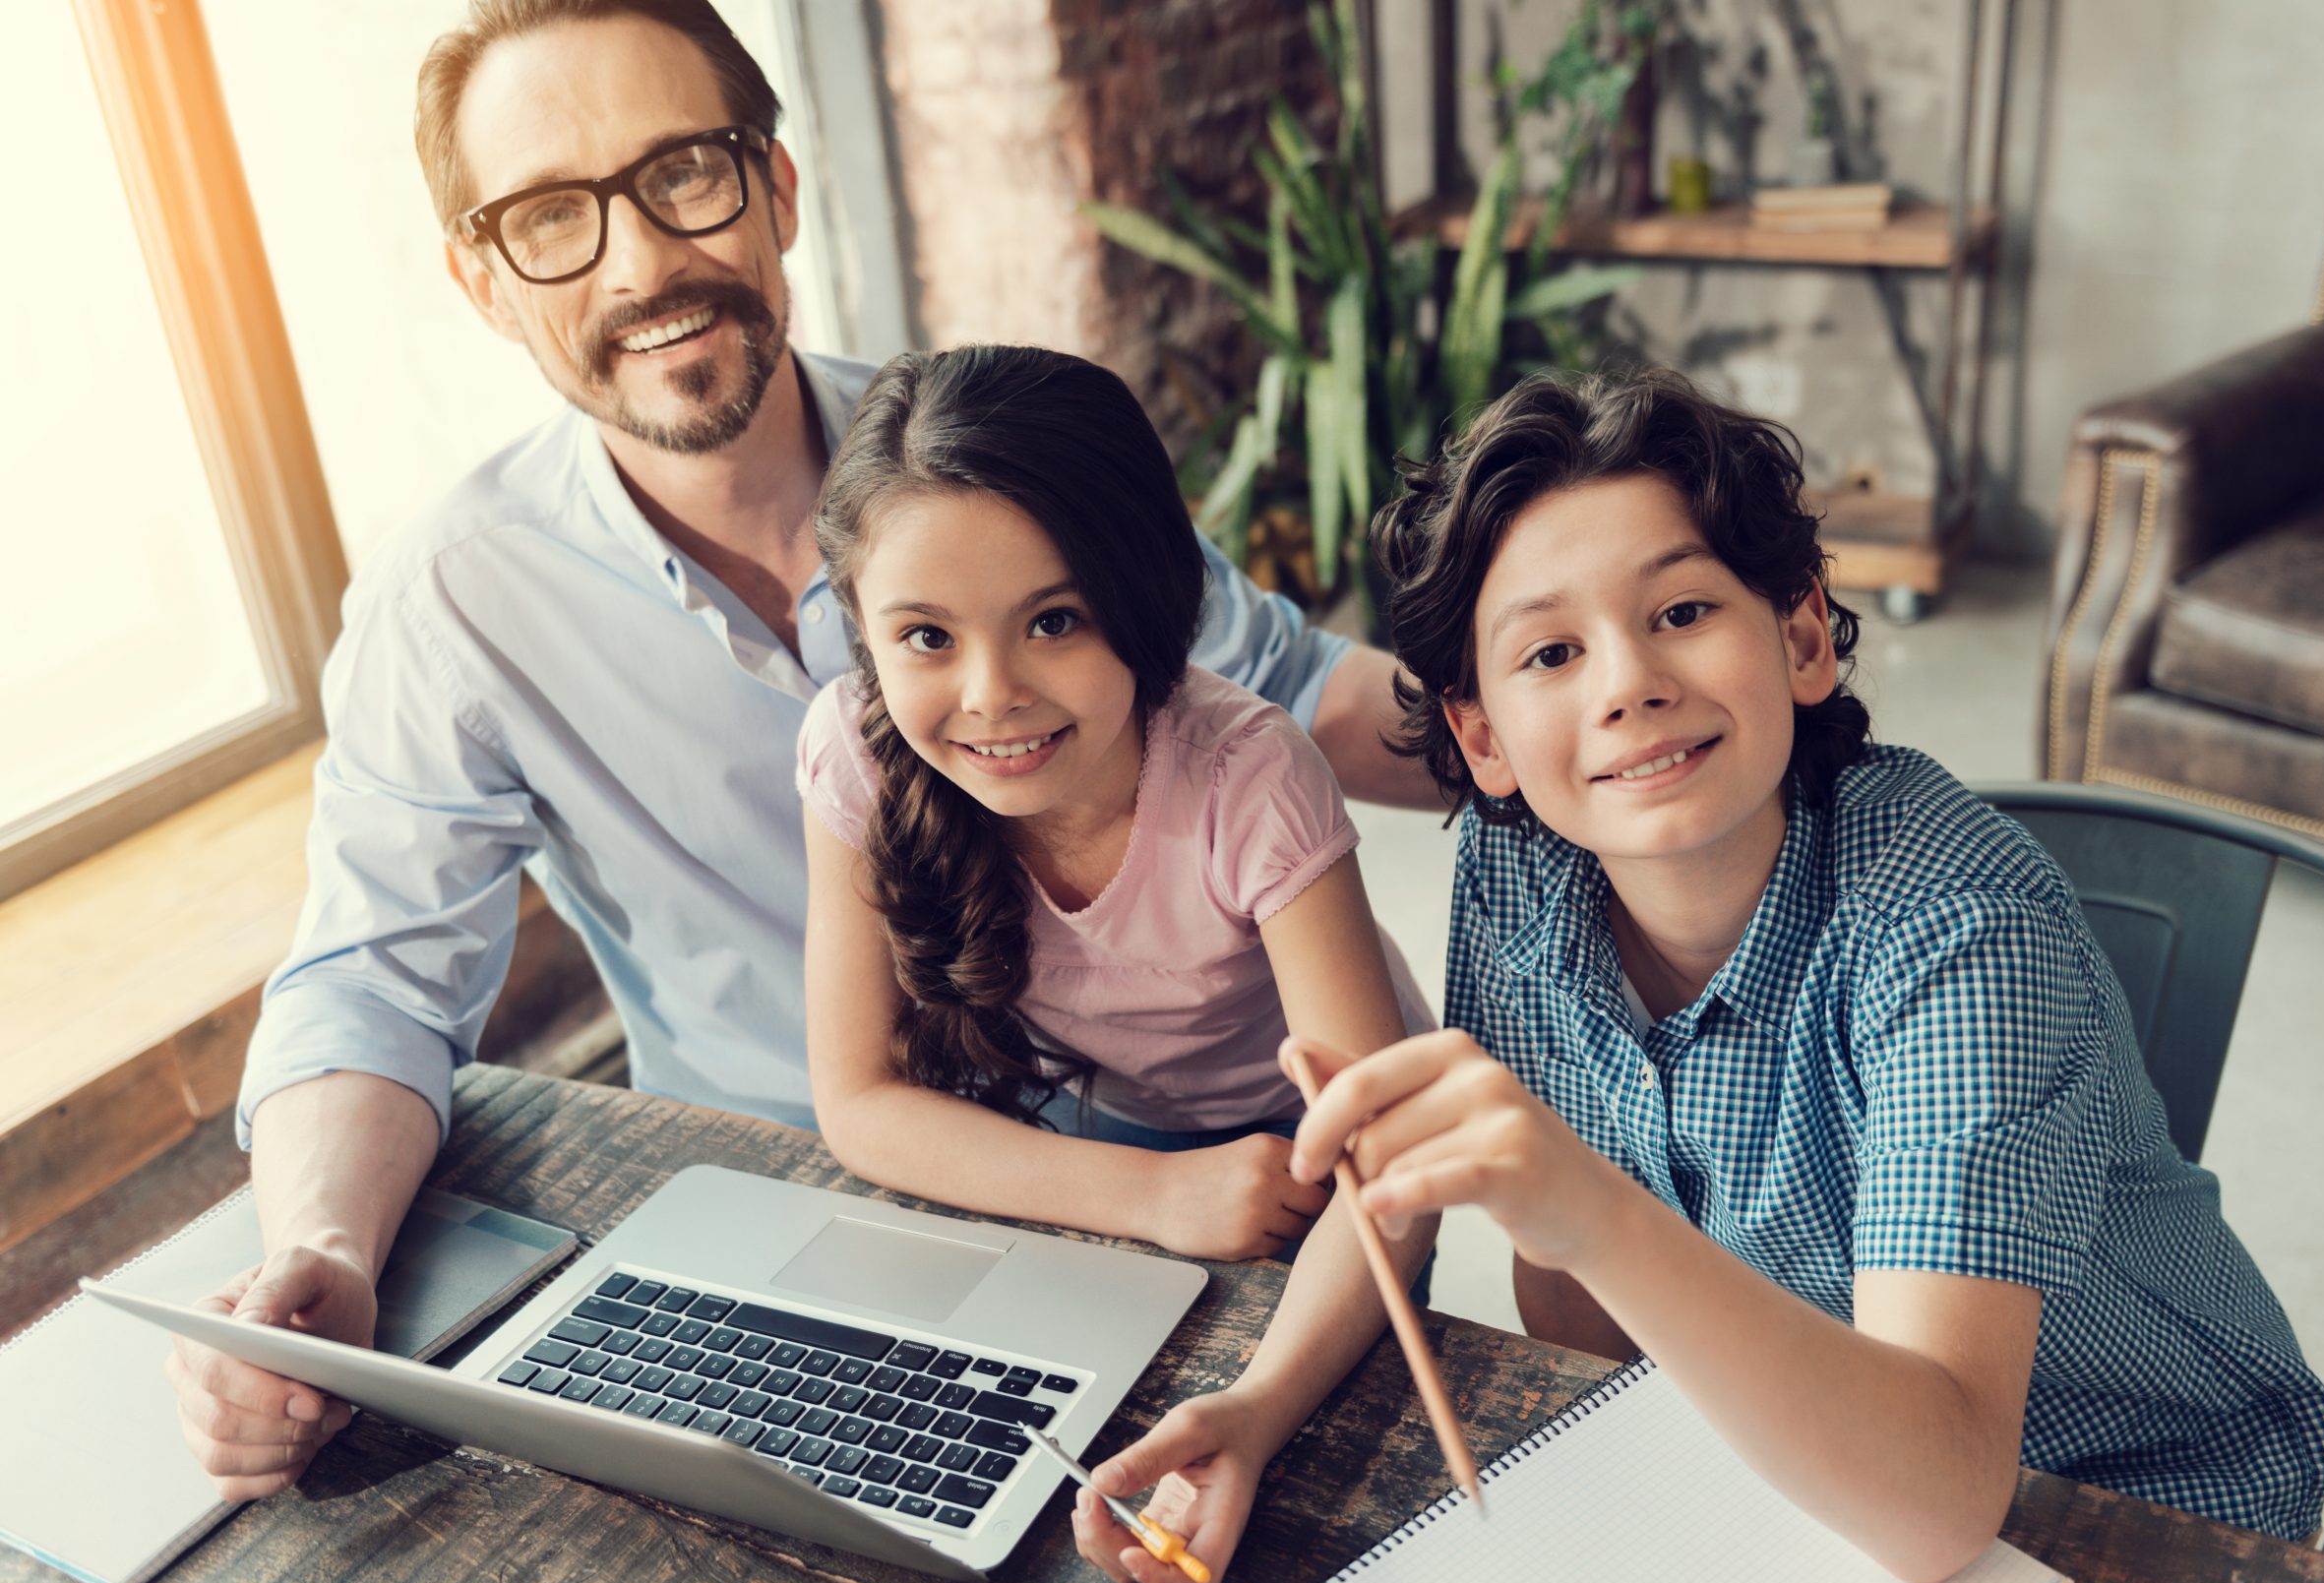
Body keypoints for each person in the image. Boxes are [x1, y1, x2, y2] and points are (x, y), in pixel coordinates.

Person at [170, 0, 1436, 1505]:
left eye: (683, 176)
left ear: (772, 186)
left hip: (1181, 1174)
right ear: (482, 279)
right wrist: (318, 1244)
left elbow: (1293, 688)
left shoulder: (975, 464)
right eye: (554, 219)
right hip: (794, 1197)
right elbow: (367, 983)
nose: (641, 264)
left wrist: (1575, 720)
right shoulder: (449, 601)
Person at [1249, 365, 2324, 1583]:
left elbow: (1942, 1509)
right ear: (1482, 737)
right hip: (1802, 1469)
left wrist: (1592, 1208)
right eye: (1550, 650)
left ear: (1804, 635)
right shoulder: (1520, 870)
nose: (1626, 685)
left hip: (2147, 1510)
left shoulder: (1956, 926)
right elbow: (1577, 1306)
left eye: (1679, 612)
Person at [805, 345, 1437, 1583]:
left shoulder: (1248, 778)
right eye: (924, 635)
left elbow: (1394, 1183)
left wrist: (1253, 1410)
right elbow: (857, 1100)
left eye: (1053, 620)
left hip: (1303, 1158)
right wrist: (1154, 1196)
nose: (990, 696)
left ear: (1142, 599)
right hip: (1106, 1151)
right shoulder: (854, 753)